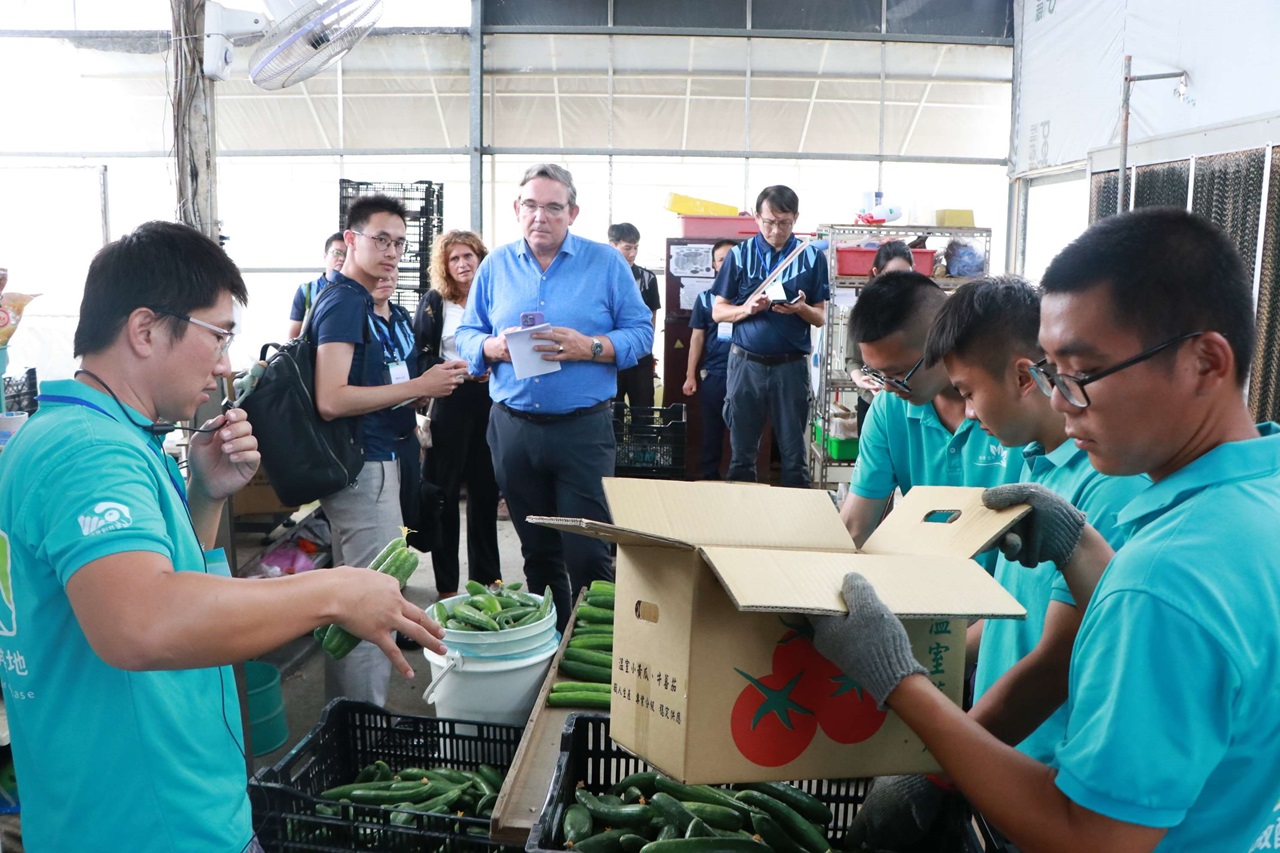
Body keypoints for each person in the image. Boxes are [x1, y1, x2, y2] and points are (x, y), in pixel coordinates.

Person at [814, 208, 1280, 853]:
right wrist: (1079, 546)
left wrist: (902, 684)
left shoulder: (1167, 574)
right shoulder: (1257, 499)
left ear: (1204, 363)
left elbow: (1086, 835)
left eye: (1081, 375)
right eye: (1052, 374)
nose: (1059, 401)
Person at [0, 220, 446, 851]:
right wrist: (334, 591)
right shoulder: (91, 454)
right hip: (150, 823)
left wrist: (205, 496)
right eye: (218, 335)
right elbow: (142, 621)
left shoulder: (87, 434)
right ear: (145, 330)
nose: (225, 364)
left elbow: (165, 589)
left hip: (127, 805)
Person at [845, 275, 1148, 849]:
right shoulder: (1034, 465)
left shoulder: (1104, 485)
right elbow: (1015, 615)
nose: (966, 410)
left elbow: (1054, 660)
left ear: (1023, 376)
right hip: (999, 752)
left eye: (967, 391)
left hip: (1045, 771)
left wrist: (939, 763)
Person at [455, 164, 654, 633]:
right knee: (537, 552)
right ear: (516, 209)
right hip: (513, 428)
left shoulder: (606, 264)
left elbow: (641, 332)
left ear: (573, 212)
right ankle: (552, 647)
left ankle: (595, 653)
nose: (539, 216)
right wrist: (490, 347)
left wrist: (592, 347)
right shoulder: (495, 266)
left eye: (553, 207)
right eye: (530, 205)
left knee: (588, 552)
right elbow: (467, 332)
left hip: (582, 430)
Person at [312, 194, 468, 705]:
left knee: (364, 595)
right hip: (365, 464)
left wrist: (418, 389)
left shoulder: (357, 303)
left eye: (399, 243)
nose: (391, 252)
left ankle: (353, 717)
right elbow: (331, 399)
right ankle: (363, 724)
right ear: (350, 240)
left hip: (380, 459)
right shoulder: (344, 302)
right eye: (381, 239)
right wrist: (418, 385)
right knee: (368, 604)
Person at [839, 271, 1021, 556]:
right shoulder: (889, 409)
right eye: (878, 374)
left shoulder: (1011, 405)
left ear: (942, 339)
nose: (888, 387)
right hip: (927, 577)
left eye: (898, 373)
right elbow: (855, 527)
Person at [711, 185, 828, 487]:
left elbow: (820, 316)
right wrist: (746, 309)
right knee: (741, 456)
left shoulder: (812, 257)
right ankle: (741, 514)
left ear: (796, 218)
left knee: (794, 456)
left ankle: (795, 516)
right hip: (745, 365)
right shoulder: (739, 256)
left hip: (791, 367)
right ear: (756, 217)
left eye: (784, 223)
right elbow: (718, 312)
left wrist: (801, 309)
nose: (776, 230)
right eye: (769, 222)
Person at [413, 229, 501, 598]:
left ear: (481, 259)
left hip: (490, 400)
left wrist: (491, 365)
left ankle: (488, 581)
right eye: (454, 259)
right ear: (445, 266)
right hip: (449, 399)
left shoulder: (497, 296)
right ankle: (446, 585)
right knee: (444, 494)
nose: (463, 264)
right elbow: (420, 355)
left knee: (485, 493)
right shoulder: (435, 302)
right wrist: (457, 368)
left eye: (469, 256)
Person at [843, 239, 916, 432]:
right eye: (892, 276)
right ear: (876, 273)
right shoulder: (863, 312)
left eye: (906, 276)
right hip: (872, 400)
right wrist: (860, 379)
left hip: (912, 404)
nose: (900, 284)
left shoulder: (920, 311)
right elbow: (852, 360)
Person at [683, 239, 736, 479]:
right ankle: (709, 478)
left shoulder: (751, 296)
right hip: (714, 374)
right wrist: (690, 376)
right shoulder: (705, 298)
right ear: (714, 265)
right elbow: (697, 338)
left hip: (746, 374)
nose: (726, 264)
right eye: (721, 259)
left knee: (744, 433)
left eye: (731, 258)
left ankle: (740, 480)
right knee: (712, 431)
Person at [609, 222, 662, 409]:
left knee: (643, 410)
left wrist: (647, 348)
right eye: (627, 248)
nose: (632, 253)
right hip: (610, 353)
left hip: (640, 355)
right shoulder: (600, 277)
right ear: (612, 245)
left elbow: (652, 317)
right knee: (611, 411)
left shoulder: (648, 279)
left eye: (636, 247)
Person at [287, 230, 346, 339]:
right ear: (325, 256)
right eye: (337, 253)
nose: (342, 258)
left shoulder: (357, 291)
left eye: (347, 254)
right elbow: (293, 336)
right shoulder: (307, 290)